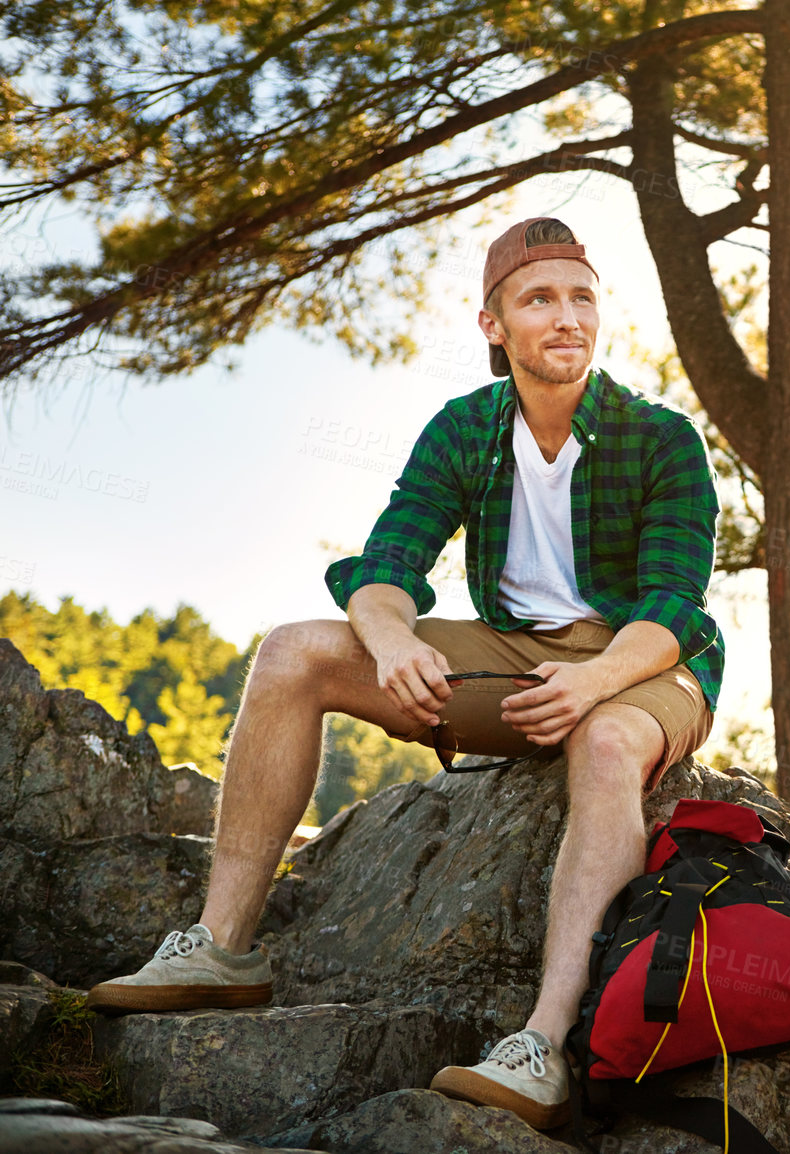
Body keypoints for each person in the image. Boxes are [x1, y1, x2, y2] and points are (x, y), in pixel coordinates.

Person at [84, 217, 725, 1130]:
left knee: (610, 737)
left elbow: (671, 610)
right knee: (294, 649)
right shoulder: (465, 428)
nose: (567, 315)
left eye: (582, 296)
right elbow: (385, 566)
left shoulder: (661, 438)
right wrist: (394, 644)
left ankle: (544, 1045)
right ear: (494, 325)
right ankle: (221, 949)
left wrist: (591, 687)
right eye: (539, 298)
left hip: (640, 665)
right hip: (514, 659)